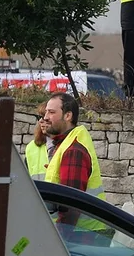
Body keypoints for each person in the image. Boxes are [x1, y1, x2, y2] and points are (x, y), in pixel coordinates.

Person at [43, 93, 106, 228]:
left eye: (51, 112)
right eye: (46, 112)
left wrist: (58, 238)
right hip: (84, 233)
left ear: (68, 116)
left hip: (80, 236)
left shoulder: (73, 150)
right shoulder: (68, 142)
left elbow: (71, 206)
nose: (45, 117)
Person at [25, 103, 52, 180]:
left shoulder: (65, 144)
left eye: (45, 117)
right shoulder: (31, 147)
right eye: (39, 117)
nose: (41, 121)